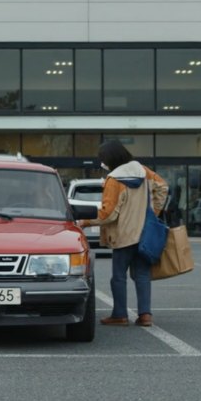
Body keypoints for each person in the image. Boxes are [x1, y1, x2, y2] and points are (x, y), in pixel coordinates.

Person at [79, 140, 168, 327]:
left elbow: (108, 213)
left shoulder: (114, 179)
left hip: (123, 235)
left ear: (110, 159)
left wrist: (86, 221)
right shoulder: (143, 171)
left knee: (118, 276)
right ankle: (145, 315)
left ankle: (119, 315)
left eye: (102, 159)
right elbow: (162, 187)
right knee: (142, 275)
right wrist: (154, 211)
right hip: (144, 232)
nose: (102, 163)